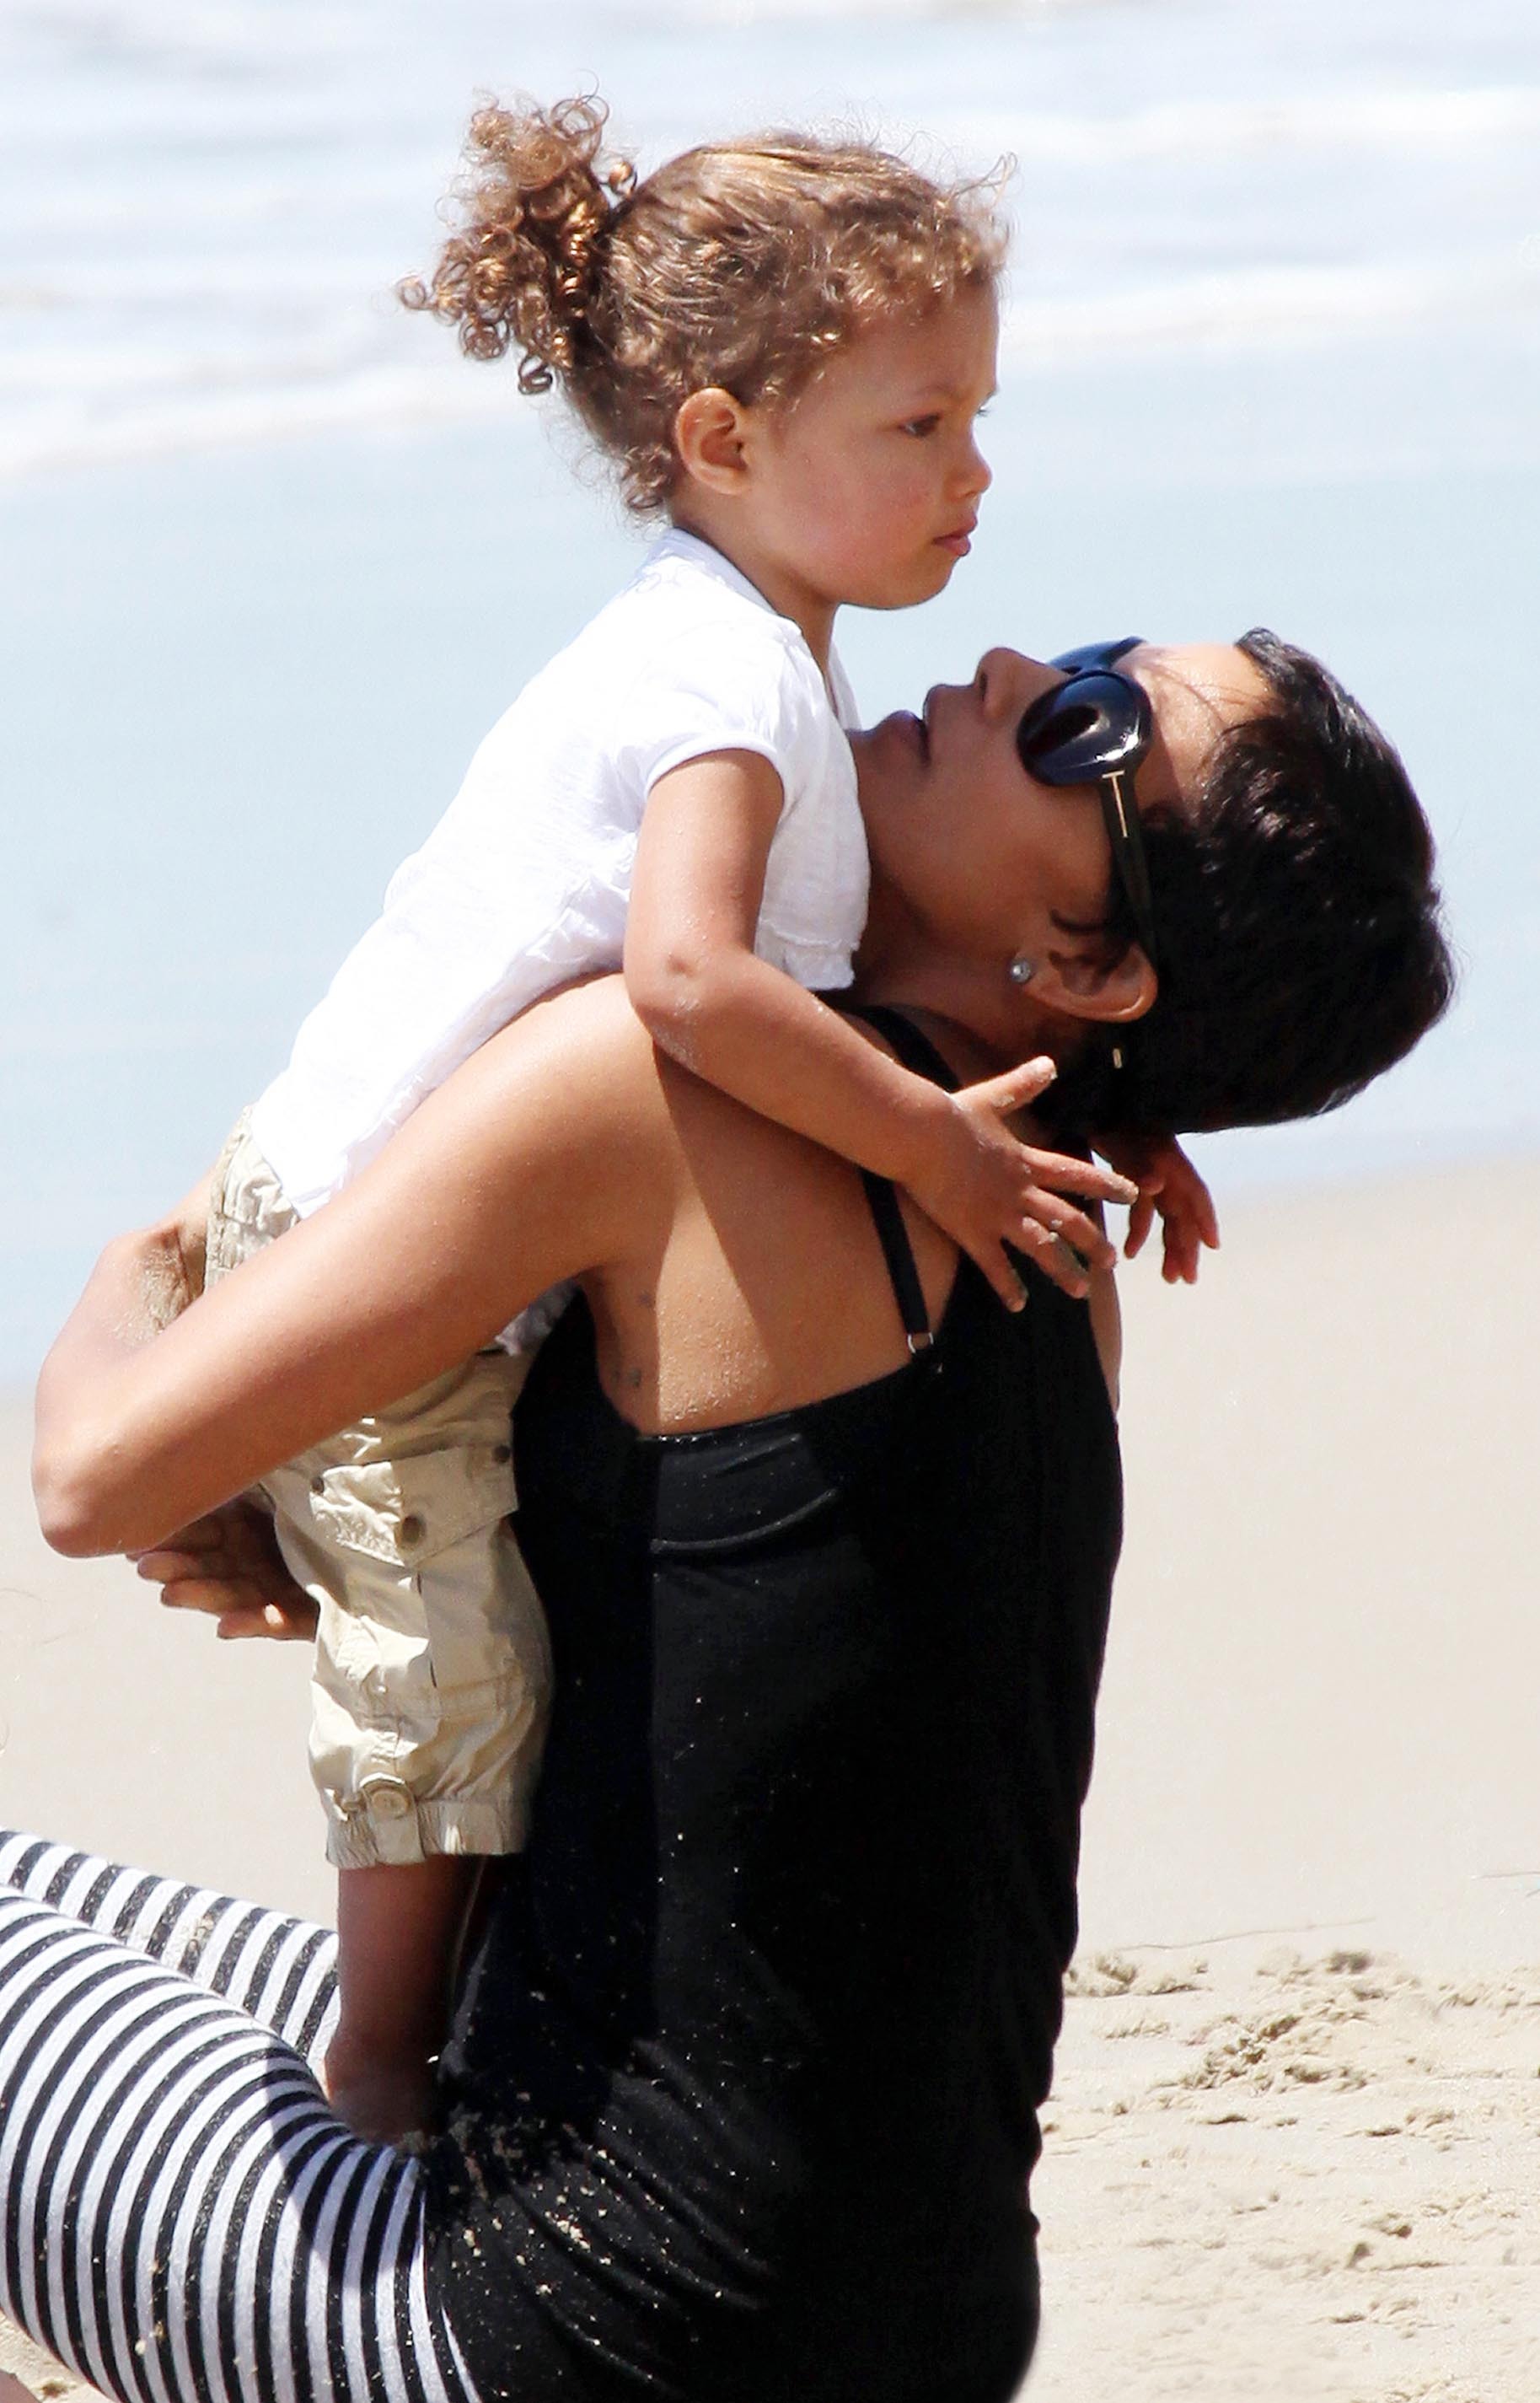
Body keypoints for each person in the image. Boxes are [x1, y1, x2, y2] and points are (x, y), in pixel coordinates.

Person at [7, 633, 1451, 2403]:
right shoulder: (1064, 1270)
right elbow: (741, 1668)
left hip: (555, 2338)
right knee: (116, 1935)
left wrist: (130, 1270)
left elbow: (94, 1477)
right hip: (910, 2336)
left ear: (1089, 964)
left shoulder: (652, 1095)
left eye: (1087, 723)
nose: (1009, 664)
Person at [210, 95, 1169, 2140]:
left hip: (465, 1227)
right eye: (919, 424)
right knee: (449, 1657)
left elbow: (873, 972)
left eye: (975, 417)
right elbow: (692, 981)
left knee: (525, 1636)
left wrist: (1118, 1105)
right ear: (724, 438)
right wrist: (932, 1144)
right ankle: (377, 2061)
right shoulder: (718, 691)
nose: (973, 472)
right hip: (349, 1224)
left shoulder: (767, 663)